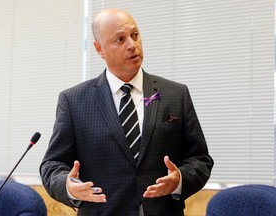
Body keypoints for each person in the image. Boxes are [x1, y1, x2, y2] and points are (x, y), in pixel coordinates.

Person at [40, 8, 214, 216]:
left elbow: (200, 159)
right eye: (120, 39)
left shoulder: (176, 94)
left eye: (135, 35)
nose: (132, 45)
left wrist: (179, 181)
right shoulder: (74, 100)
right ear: (99, 49)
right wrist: (68, 186)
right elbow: (52, 164)